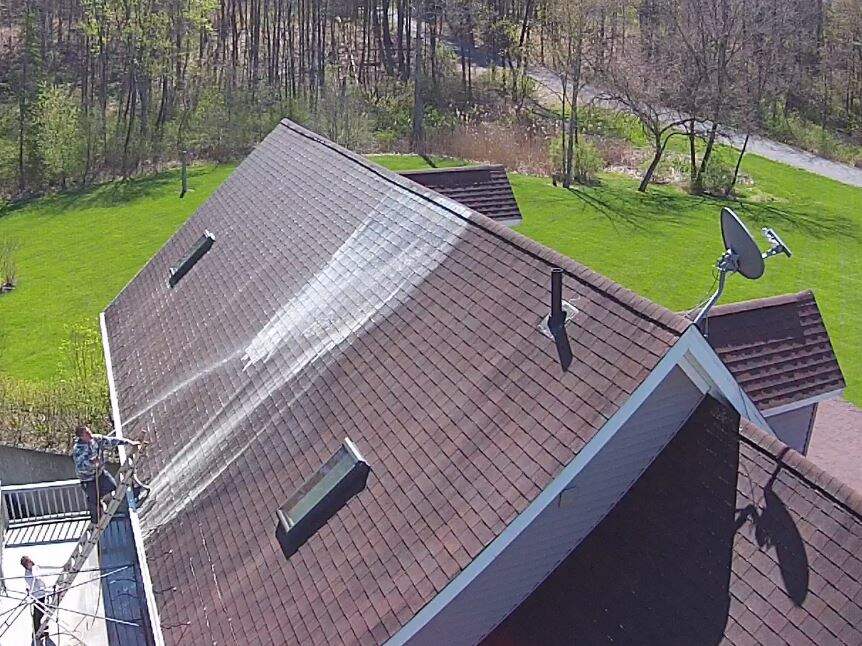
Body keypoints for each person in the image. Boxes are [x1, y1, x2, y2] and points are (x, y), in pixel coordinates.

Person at [72, 425, 138, 523]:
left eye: (88, 430)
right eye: (86, 433)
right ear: (81, 437)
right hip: (88, 479)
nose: (89, 433)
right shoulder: (78, 449)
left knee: (112, 486)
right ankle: (96, 520)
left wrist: (128, 442)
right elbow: (81, 466)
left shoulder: (96, 439)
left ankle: (104, 502)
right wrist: (91, 463)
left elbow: (111, 441)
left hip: (100, 474)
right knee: (94, 500)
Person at [20, 556, 48, 643]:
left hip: (42, 593)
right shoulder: (28, 574)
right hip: (37, 595)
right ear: (25, 565)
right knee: (38, 614)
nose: (30, 564)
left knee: (42, 611)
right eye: (28, 563)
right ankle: (37, 632)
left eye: (29, 562)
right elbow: (32, 583)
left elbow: (40, 577)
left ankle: (40, 627)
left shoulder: (34, 568)